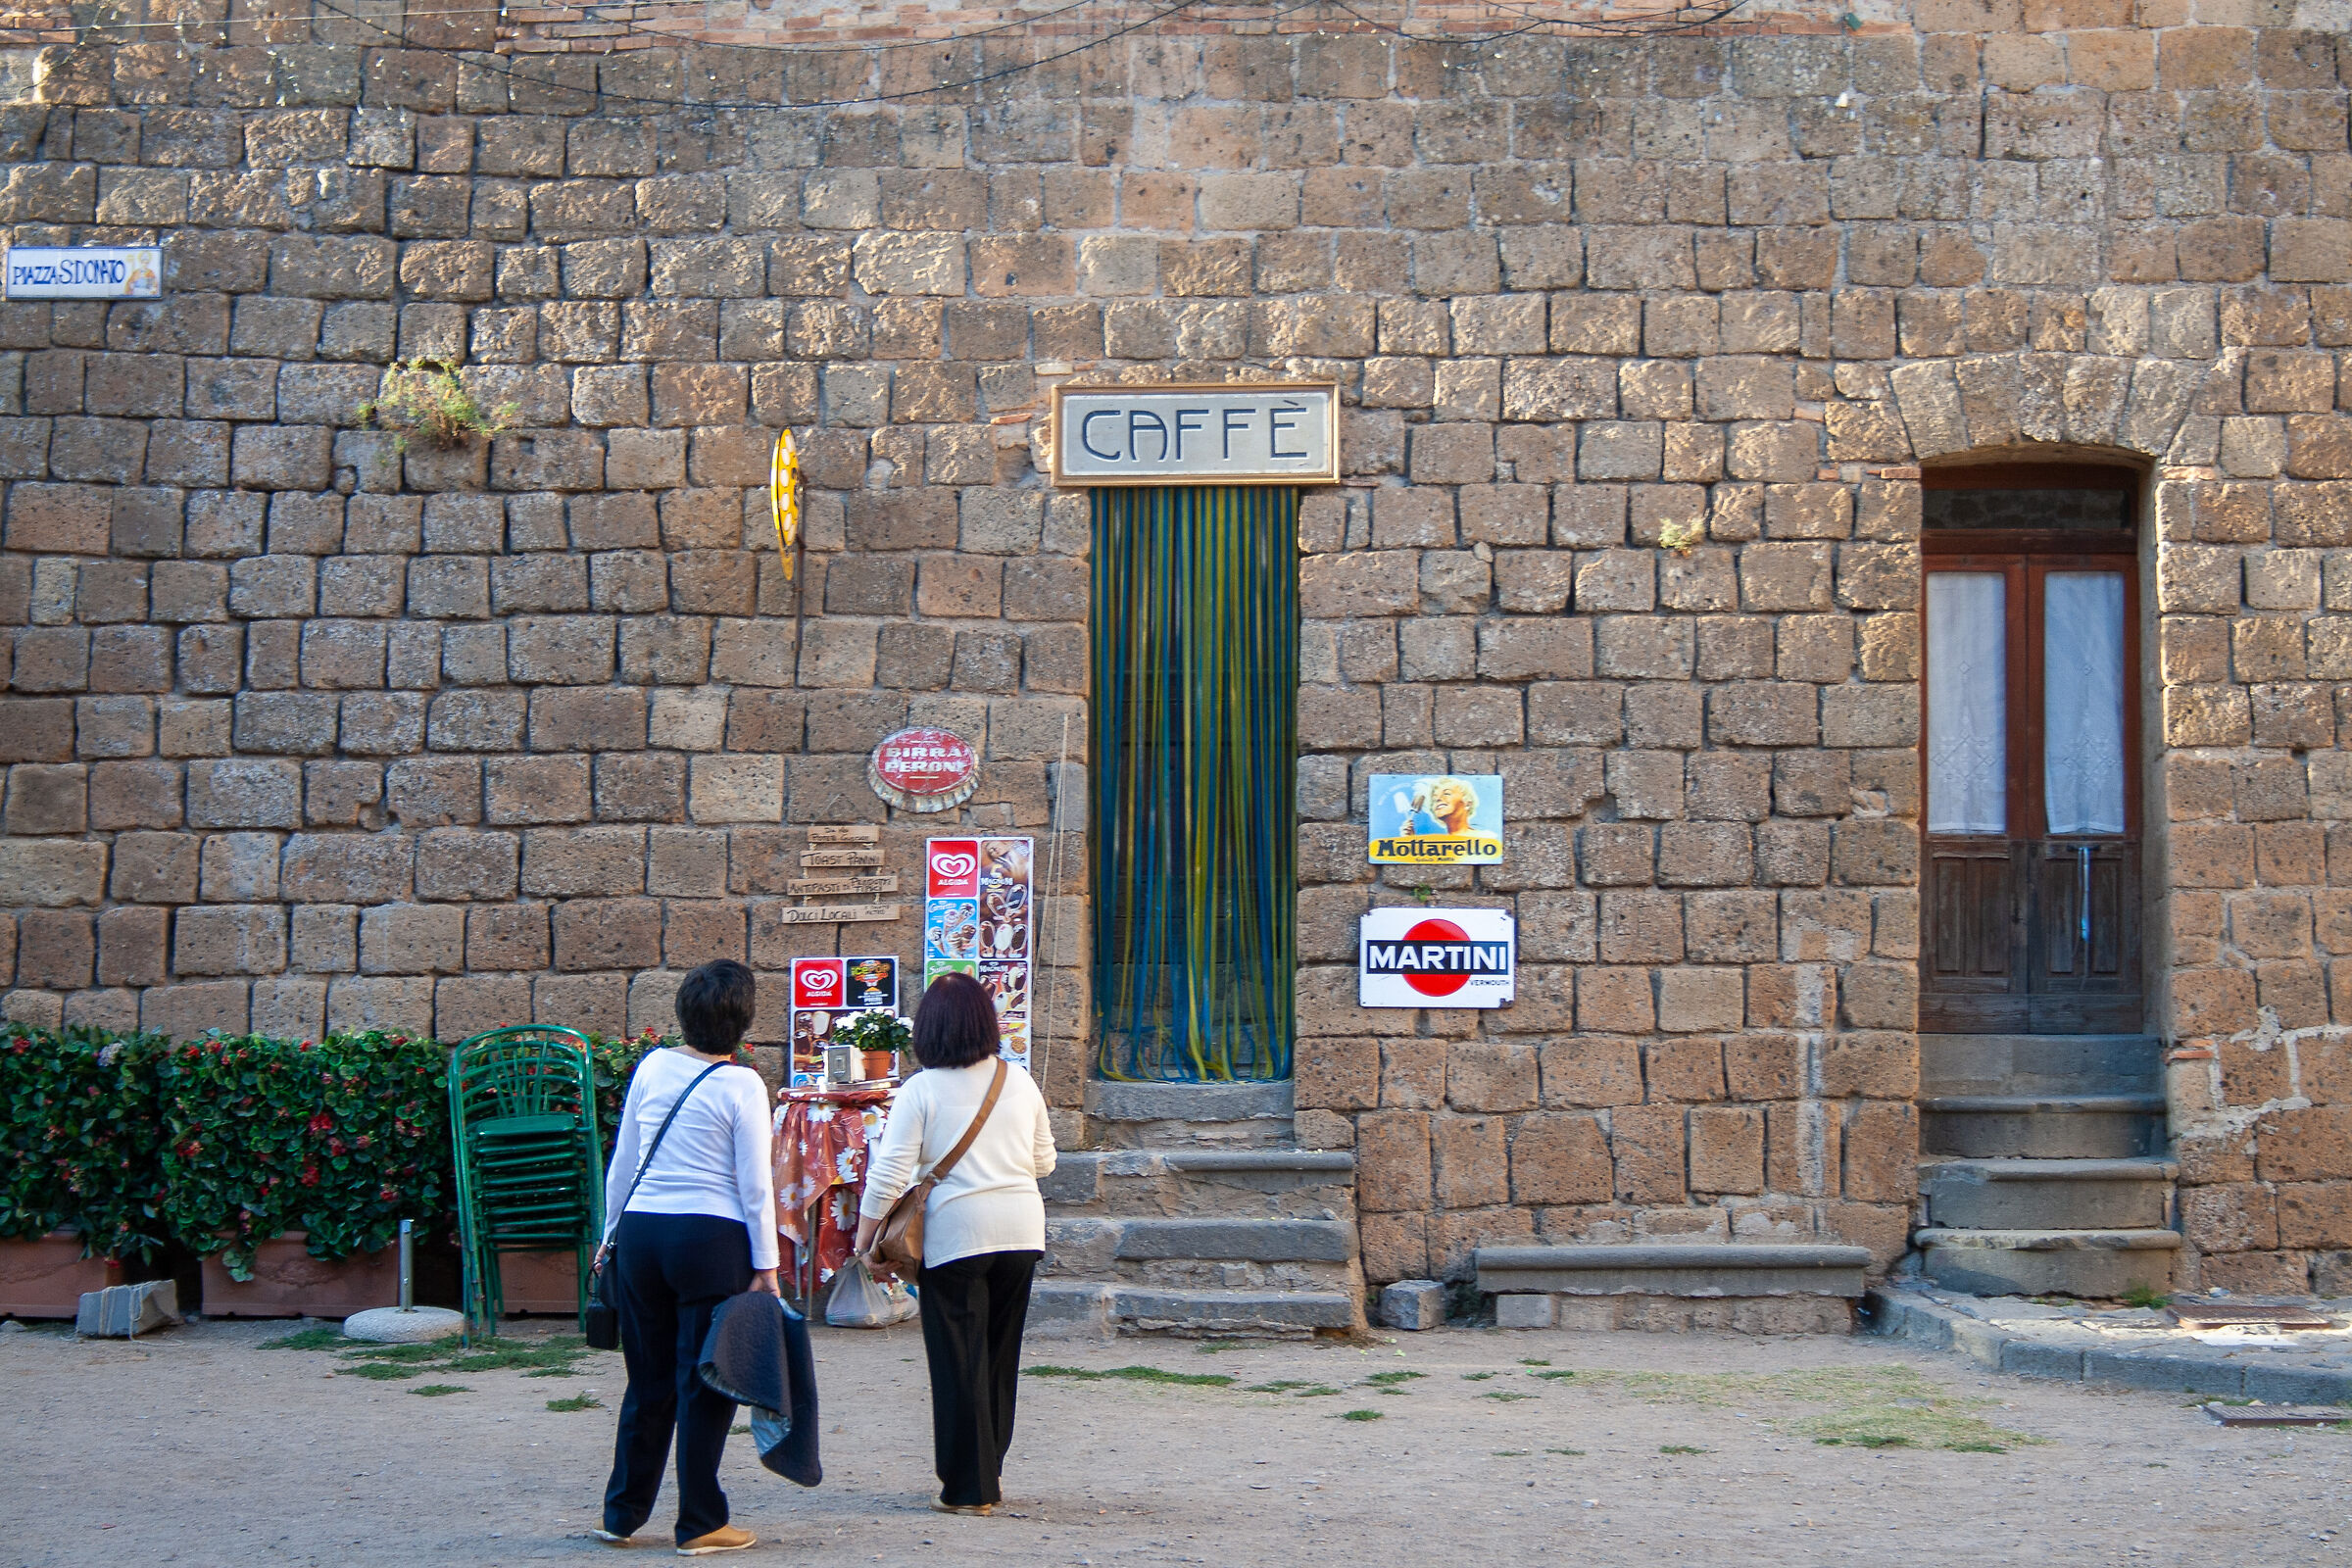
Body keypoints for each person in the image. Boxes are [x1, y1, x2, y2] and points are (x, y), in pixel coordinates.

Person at [854, 973, 1057, 1517]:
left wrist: (865, 1236)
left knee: (956, 1359)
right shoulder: (1020, 1082)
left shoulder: (922, 1089)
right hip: (1020, 1231)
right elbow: (1044, 1163)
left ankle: (969, 1487)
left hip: (956, 1235)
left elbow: (891, 1171)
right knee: (997, 1354)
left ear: (929, 1030)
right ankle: (988, 1465)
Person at [598, 959, 780, 1556]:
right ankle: (700, 1522)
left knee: (646, 1381)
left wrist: (609, 1235)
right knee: (705, 1382)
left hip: (643, 1237)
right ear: (744, 1023)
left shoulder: (652, 1067)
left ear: (682, 1014)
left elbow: (624, 1160)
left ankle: (622, 1515)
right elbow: (755, 1185)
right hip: (711, 1241)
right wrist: (767, 1265)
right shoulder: (743, 1085)